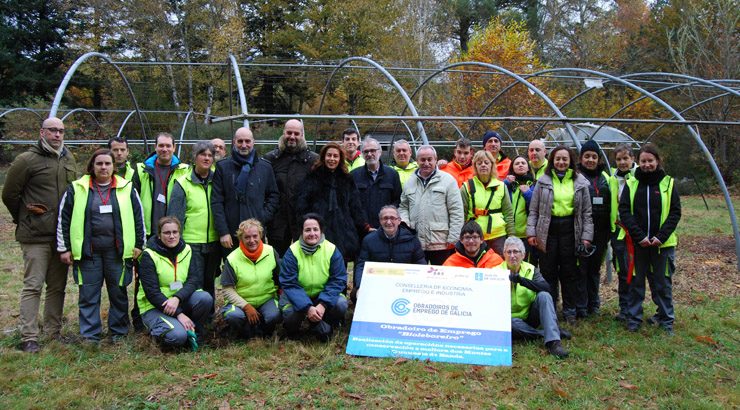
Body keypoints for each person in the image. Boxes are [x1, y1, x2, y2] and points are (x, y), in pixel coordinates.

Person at [2, 117, 78, 352]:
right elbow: (10, 195)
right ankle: (29, 336)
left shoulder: (68, 158)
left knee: (57, 286)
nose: (57, 135)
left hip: (61, 236)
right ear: (42, 132)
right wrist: (26, 217)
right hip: (35, 235)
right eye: (53, 130)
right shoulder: (26, 160)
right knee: (33, 285)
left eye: (61, 131)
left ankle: (53, 332)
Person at [57, 149, 145, 343]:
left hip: (118, 253)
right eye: (99, 164)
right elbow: (64, 218)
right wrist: (64, 248)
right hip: (89, 253)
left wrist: (139, 244)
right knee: (88, 295)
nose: (103, 167)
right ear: (92, 166)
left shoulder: (127, 188)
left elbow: (139, 218)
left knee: (118, 293)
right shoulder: (76, 188)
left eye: (107, 163)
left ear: (114, 166)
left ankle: (119, 333)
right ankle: (90, 335)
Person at [526, 145, 593, 324]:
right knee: (548, 272)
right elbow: (534, 210)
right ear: (552, 161)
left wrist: (587, 236)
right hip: (547, 231)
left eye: (565, 159)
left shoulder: (580, 182)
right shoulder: (543, 181)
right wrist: (531, 232)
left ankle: (570, 310)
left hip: (571, 231)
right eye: (558, 159)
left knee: (570, 272)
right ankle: (551, 309)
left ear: (571, 161)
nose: (561, 162)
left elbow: (587, 213)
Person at [618, 144, 680, 334]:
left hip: (662, 245)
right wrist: (640, 236)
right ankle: (634, 318)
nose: (647, 165)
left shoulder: (668, 183)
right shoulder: (631, 183)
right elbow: (625, 211)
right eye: (643, 161)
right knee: (636, 283)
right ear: (638, 162)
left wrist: (661, 237)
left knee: (662, 283)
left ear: (657, 161)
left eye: (650, 161)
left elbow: (675, 212)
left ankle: (666, 319)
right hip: (639, 244)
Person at [137, 217, 213, 348]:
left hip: (178, 301)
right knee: (178, 337)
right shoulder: (148, 255)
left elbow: (194, 280)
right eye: (167, 233)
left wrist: (177, 298)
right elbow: (152, 293)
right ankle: (158, 332)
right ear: (159, 235)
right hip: (155, 306)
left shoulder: (187, 250)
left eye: (175, 232)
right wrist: (179, 314)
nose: (171, 236)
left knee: (204, 298)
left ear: (180, 233)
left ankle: (195, 332)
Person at [497, 237, 570, 358]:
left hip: (530, 315)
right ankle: (544, 333)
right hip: (510, 320)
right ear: (503, 254)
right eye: (509, 252)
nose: (512, 255)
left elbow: (546, 288)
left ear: (523, 255)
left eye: (516, 252)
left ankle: (554, 343)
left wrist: (522, 280)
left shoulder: (531, 269)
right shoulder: (496, 271)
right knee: (510, 324)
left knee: (544, 296)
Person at [296, 142, 370, 263]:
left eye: (335, 156)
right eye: (329, 155)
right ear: (323, 157)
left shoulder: (347, 179)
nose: (332, 159)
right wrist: (306, 223)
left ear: (340, 158)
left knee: (340, 264)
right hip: (319, 228)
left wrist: (364, 226)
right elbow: (302, 204)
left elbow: (355, 206)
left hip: (343, 231)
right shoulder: (312, 177)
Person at [279, 214, 348, 341]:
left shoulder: (331, 249)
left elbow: (338, 279)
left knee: (341, 304)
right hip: (297, 297)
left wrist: (323, 304)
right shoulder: (292, 252)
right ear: (301, 232)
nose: (312, 233)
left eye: (315, 229)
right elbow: (289, 283)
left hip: (322, 296)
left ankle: (324, 322)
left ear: (321, 231)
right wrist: (307, 307)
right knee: (289, 315)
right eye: (307, 230)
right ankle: (295, 328)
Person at [211, 127, 279, 256]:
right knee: (233, 270)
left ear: (253, 142)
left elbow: (273, 196)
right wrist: (223, 231)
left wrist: (262, 216)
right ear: (234, 142)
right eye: (240, 141)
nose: (244, 145)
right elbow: (217, 201)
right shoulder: (223, 167)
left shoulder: (265, 167)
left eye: (247, 141)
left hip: (256, 233)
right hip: (231, 233)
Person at [168, 141, 222, 300]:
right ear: (195, 157)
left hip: (214, 241)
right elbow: (174, 216)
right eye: (202, 154)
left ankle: (209, 318)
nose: (206, 158)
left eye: (210, 155)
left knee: (209, 280)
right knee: (194, 282)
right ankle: (195, 318)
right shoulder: (183, 183)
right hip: (192, 243)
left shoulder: (217, 180)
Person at [399, 145, 464, 265]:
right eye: (422, 160)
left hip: (441, 243)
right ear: (417, 160)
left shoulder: (448, 180)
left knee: (441, 279)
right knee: (418, 280)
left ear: (435, 159)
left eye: (430, 159)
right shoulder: (410, 181)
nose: (426, 163)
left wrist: (454, 238)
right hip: (416, 241)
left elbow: (456, 211)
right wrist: (406, 224)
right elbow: (403, 206)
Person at [262, 120, 319, 255]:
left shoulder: (313, 160)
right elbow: (265, 191)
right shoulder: (270, 159)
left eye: (296, 133)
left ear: (302, 135)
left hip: (304, 220)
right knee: (278, 260)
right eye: (289, 132)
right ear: (283, 133)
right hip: (277, 222)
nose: (292, 136)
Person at [220, 219, 281, 339]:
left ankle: (263, 330)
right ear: (240, 239)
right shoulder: (232, 259)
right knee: (233, 316)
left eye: (255, 236)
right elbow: (227, 290)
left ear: (261, 236)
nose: (252, 240)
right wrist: (246, 306)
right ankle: (244, 332)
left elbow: (282, 278)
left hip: (266, 299)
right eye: (247, 237)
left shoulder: (270, 251)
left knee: (275, 315)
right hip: (241, 302)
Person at [353, 206, 426, 301]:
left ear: (399, 221)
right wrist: (360, 286)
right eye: (385, 218)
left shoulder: (412, 240)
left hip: (404, 286)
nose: (388, 222)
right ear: (380, 221)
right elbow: (361, 265)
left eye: (392, 218)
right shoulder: (369, 240)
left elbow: (421, 265)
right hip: (378, 285)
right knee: (354, 294)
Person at [577, 140, 612, 316]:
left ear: (598, 159)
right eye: (587, 156)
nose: (590, 160)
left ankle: (594, 304)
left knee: (594, 269)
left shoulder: (606, 178)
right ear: (581, 158)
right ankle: (581, 305)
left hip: (601, 231)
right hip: (581, 231)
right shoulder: (575, 176)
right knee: (581, 269)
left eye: (594, 156)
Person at [132, 132, 189, 236]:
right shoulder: (141, 169)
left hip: (173, 233)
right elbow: (133, 202)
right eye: (161, 145)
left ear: (174, 148)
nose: (164, 149)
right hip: (148, 231)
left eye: (168, 146)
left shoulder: (185, 170)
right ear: (155, 147)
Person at [460, 150, 515, 255]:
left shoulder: (501, 186)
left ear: (492, 165)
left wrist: (511, 235)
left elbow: (508, 213)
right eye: (479, 163)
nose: (483, 165)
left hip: (498, 235)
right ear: (475, 166)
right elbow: (462, 214)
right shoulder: (466, 187)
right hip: (474, 237)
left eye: (486, 162)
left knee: (499, 266)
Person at [609, 144, 637, 322]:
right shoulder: (613, 179)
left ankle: (635, 308)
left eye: (626, 158)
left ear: (633, 158)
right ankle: (624, 308)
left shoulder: (640, 177)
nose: (622, 162)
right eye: (619, 159)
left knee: (635, 270)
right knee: (622, 269)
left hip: (635, 232)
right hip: (618, 231)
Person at [351, 137, 402, 229]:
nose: (369, 154)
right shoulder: (354, 176)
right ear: (362, 154)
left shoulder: (392, 174)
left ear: (380, 152)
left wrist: (388, 219)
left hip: (387, 228)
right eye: (366, 152)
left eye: (373, 150)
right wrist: (364, 225)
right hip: (362, 230)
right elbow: (352, 205)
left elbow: (397, 201)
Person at [504, 155, 536, 263]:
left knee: (524, 262)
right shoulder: (507, 185)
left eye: (523, 163)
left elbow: (537, 206)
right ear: (512, 168)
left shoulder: (533, 185)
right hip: (508, 232)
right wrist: (506, 183)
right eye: (517, 163)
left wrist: (527, 193)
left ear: (528, 168)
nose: (520, 165)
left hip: (526, 234)